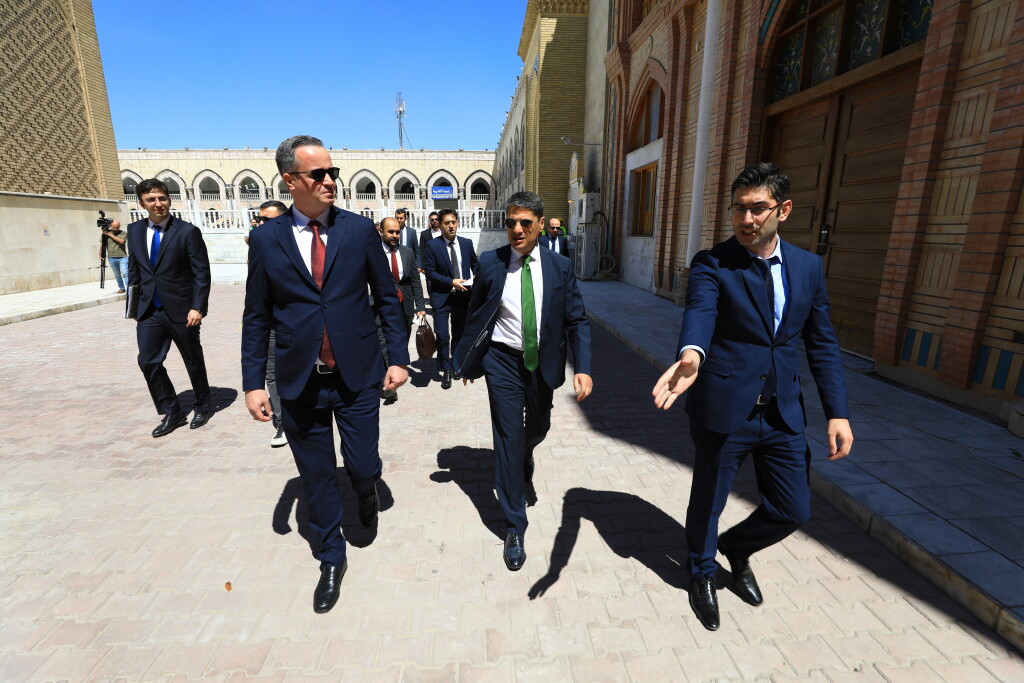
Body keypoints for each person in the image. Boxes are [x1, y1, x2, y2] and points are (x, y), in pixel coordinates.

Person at [652, 162, 854, 631]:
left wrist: (837, 413)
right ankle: (701, 573)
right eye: (739, 209)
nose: (746, 219)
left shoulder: (808, 267)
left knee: (792, 508)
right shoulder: (712, 262)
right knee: (709, 501)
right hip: (724, 405)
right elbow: (700, 312)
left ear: (782, 210)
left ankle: (737, 548)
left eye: (757, 209)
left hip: (782, 411)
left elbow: (821, 343)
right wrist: (692, 355)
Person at [242, 135, 409, 614]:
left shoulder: (358, 232)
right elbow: (257, 316)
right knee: (315, 476)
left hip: (357, 376)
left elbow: (387, 300)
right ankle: (332, 558)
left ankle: (365, 491)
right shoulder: (266, 240)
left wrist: (396, 357)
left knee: (361, 463)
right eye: (319, 174)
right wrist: (254, 382)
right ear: (290, 180)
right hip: (300, 381)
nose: (331, 181)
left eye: (333, 172)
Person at [454, 191, 593, 571]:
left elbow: (577, 319)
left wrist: (582, 367)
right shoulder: (490, 263)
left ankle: (525, 456)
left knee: (538, 427)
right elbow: (476, 313)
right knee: (508, 436)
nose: (516, 229)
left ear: (539, 225)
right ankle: (515, 525)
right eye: (511, 222)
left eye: (524, 223)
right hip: (502, 361)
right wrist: (467, 361)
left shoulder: (560, 266)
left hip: (543, 363)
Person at [127, 179, 212, 437]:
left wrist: (197, 307)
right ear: (142, 203)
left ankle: (203, 405)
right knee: (148, 361)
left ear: (169, 199)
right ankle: (172, 411)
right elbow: (135, 270)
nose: (158, 204)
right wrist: (133, 307)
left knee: (192, 359)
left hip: (183, 310)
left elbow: (201, 273)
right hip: (149, 311)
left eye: (162, 198)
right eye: (151, 200)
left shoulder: (187, 231)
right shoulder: (134, 231)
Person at [423, 208, 477, 390]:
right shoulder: (433, 245)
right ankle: (445, 369)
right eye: (447, 223)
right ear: (439, 225)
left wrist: (478, 281)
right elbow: (429, 272)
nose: (451, 226)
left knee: (459, 334)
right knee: (443, 335)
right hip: (441, 297)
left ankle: (456, 365)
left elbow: (476, 266)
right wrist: (450, 282)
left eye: (454, 222)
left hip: (462, 297)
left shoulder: (467, 244)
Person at [251, 200, 290, 447]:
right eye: (260, 219)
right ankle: (282, 423)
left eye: (268, 220)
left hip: (298, 326)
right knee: (272, 375)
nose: (261, 224)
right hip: (271, 325)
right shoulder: (259, 246)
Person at [377, 216, 426, 403]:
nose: (395, 235)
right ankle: (388, 385)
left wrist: (420, 306)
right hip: (380, 306)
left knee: (401, 340)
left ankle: (395, 370)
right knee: (382, 343)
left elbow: (415, 280)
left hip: (404, 305)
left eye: (397, 232)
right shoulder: (373, 253)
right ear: (381, 231)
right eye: (390, 232)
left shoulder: (407, 253)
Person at [101, 219, 129, 292]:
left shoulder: (123, 233)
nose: (115, 229)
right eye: (114, 227)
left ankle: (129, 289)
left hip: (123, 257)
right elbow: (102, 245)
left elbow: (122, 241)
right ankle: (122, 288)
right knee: (117, 274)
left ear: (119, 226)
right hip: (111, 257)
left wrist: (109, 234)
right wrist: (101, 255)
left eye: (117, 227)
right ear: (110, 226)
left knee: (125, 273)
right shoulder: (105, 234)